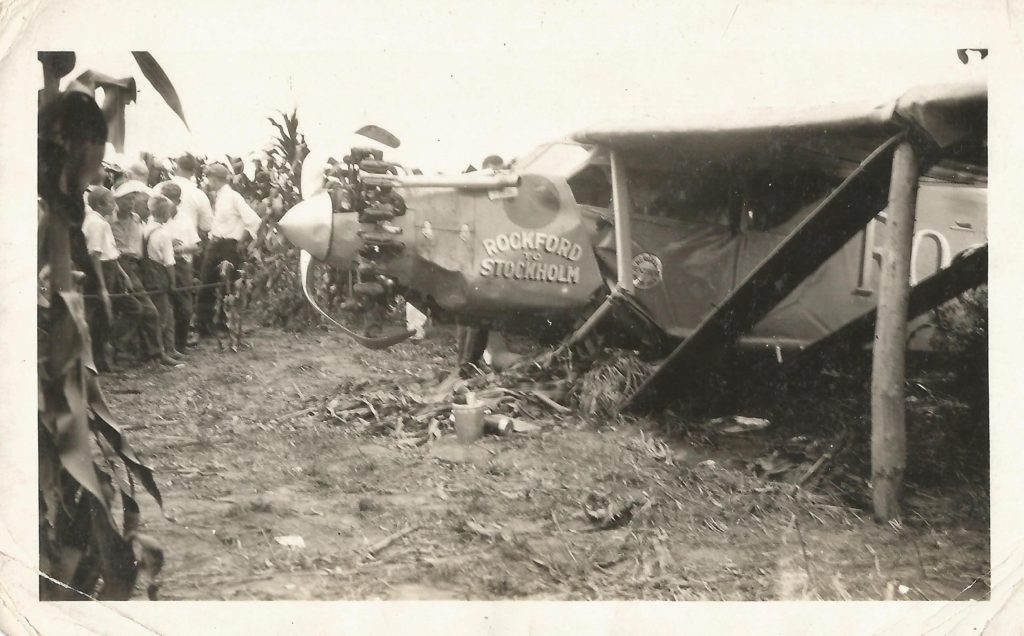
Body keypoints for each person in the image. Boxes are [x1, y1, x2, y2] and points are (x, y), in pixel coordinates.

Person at [110, 180, 180, 366]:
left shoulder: (136, 220)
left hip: (137, 267)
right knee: (145, 310)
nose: (131, 203)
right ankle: (131, 349)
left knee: (147, 311)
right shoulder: (110, 220)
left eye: (133, 199)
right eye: (126, 199)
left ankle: (148, 353)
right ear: (117, 201)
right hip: (120, 267)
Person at [195, 163, 262, 337]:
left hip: (228, 247)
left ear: (215, 179)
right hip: (214, 244)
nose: (207, 181)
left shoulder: (233, 197)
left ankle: (225, 326)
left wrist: (241, 241)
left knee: (228, 286)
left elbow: (254, 220)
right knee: (206, 284)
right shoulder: (217, 197)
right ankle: (204, 326)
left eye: (209, 177)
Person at [81, 187, 131, 372]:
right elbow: (95, 255)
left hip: (110, 268)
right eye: (111, 201)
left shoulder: (102, 222)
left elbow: (109, 251)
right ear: (100, 204)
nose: (114, 205)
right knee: (100, 317)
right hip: (100, 272)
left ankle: (104, 358)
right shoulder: (96, 223)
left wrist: (122, 273)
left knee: (108, 316)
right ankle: (96, 362)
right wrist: (102, 286)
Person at [142, 195, 186, 364]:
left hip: (148, 275)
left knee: (163, 313)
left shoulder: (147, 228)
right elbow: (169, 263)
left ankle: (169, 348)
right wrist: (173, 282)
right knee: (164, 316)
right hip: (159, 275)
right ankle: (162, 353)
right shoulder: (164, 234)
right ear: (165, 212)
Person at [157, 182, 201, 352]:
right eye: (164, 199)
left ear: (178, 201)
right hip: (161, 265)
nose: (167, 203)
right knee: (165, 308)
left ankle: (180, 344)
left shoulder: (185, 220)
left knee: (185, 308)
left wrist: (180, 248)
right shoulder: (157, 219)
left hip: (182, 266)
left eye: (171, 200)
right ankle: (166, 347)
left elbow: (197, 247)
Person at [168, 153, 214, 240]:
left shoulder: (158, 188)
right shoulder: (199, 194)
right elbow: (207, 226)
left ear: (176, 168)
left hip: (159, 244)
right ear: (193, 172)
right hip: (187, 244)